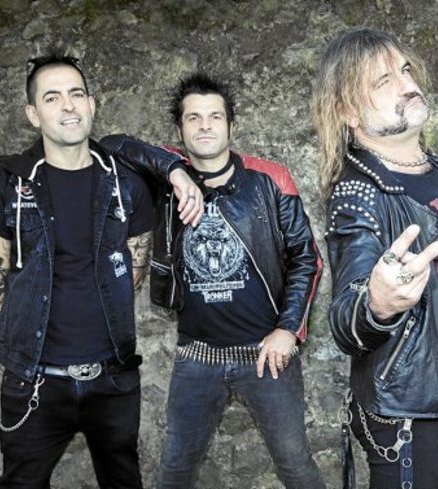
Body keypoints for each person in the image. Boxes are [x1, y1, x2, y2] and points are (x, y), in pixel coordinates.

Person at [0, 52, 202, 489]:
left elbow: (131, 273)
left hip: (113, 380)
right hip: (34, 382)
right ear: (33, 115)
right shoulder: (6, 186)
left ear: (92, 104)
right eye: (52, 97)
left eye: (76, 94)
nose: (68, 106)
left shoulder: (126, 184)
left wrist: (176, 172)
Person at [312, 28, 438, 488]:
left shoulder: (436, 170)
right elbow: (347, 317)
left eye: (405, 71)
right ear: (348, 112)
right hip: (407, 413)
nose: (408, 85)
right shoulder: (358, 195)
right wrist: (377, 304)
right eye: (384, 81)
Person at [102, 71, 325, 489]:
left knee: (296, 466)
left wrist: (288, 329)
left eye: (215, 116)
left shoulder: (270, 179)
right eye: (194, 117)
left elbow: (306, 258)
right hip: (197, 357)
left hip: (265, 354)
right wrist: (174, 171)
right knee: (175, 469)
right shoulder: (165, 178)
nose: (205, 125)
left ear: (230, 126)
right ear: (180, 129)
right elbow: (109, 145)